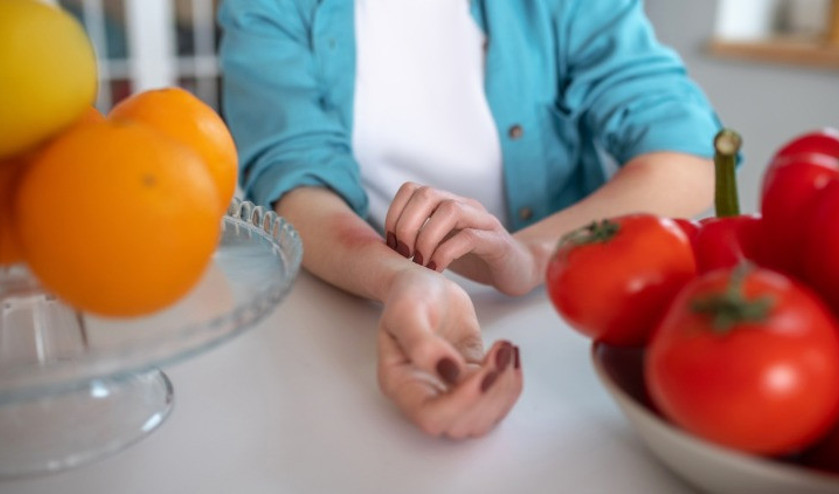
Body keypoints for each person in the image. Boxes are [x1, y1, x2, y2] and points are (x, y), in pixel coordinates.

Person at [217, 0, 722, 439]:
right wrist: (401, 280)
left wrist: (533, 254)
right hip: (356, 303)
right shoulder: (268, 7)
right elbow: (296, 180)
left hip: (559, 312)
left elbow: (689, 156)